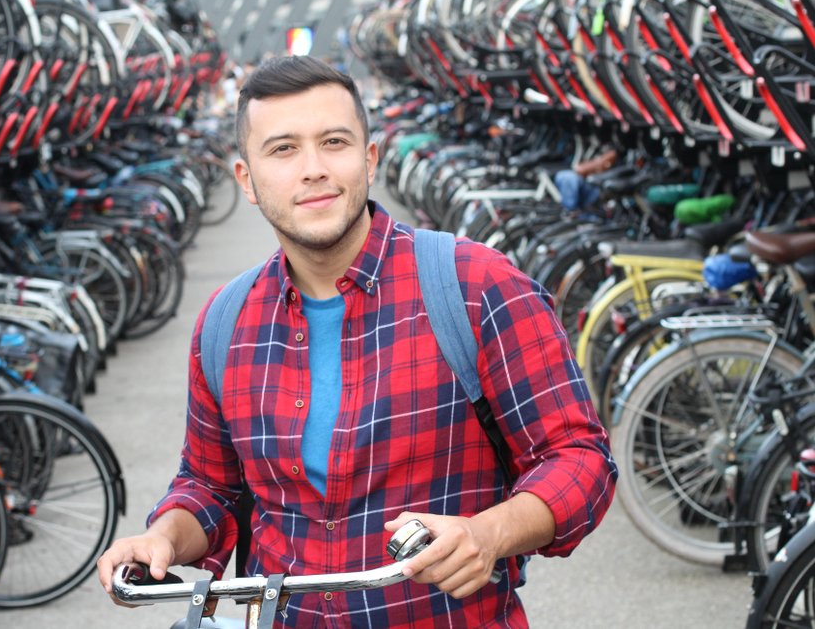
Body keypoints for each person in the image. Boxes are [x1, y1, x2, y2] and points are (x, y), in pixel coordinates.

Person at [97, 56, 617, 627]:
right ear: (247, 179)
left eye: (334, 141)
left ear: (369, 160)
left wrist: (487, 533)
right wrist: (163, 537)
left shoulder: (475, 287)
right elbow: (211, 486)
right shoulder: (225, 324)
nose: (313, 168)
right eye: (283, 149)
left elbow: (579, 457)